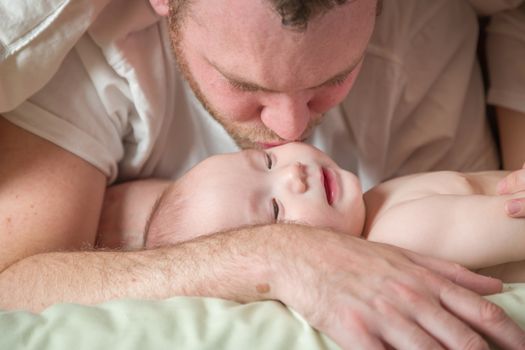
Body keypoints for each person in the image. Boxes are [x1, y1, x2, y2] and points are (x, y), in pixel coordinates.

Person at [1, 0, 525, 348]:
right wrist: (272, 254)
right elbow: (12, 286)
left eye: (336, 77)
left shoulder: (430, 22)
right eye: (242, 85)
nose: (292, 128)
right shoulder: (86, 58)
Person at [97, 142, 525, 283]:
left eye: (266, 162)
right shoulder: (399, 237)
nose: (293, 175)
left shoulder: (378, 204)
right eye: (276, 210)